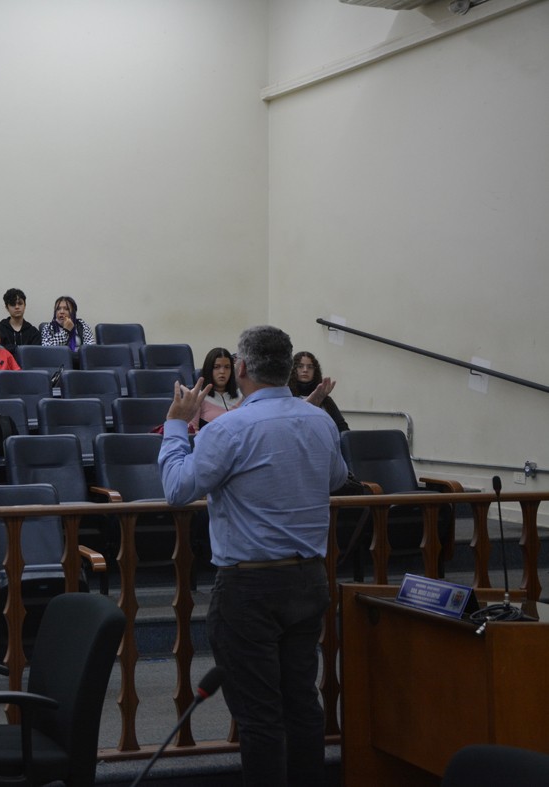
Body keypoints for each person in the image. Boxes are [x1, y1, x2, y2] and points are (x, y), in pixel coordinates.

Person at [158, 325, 347, 787]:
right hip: (309, 580)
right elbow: (337, 480)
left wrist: (177, 426)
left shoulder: (229, 428)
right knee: (301, 703)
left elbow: (178, 489)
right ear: (287, 369)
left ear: (240, 369)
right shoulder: (320, 420)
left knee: (261, 715)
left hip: (250, 588)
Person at [289, 351, 349, 433]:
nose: (305, 370)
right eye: (300, 366)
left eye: (310, 367)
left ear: (315, 371)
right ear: (293, 369)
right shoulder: (287, 398)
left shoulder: (325, 399)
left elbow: (343, 429)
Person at [198, 346, 242, 428]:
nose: (222, 372)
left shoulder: (242, 395)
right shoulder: (197, 396)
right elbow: (191, 432)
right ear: (208, 369)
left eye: (227, 367)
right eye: (216, 367)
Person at [0, 288, 41, 357]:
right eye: (13, 304)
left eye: (20, 303)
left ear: (24, 306)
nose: (17, 307)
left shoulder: (33, 332)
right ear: (7, 308)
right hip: (5, 366)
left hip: (27, 367)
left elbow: (35, 354)